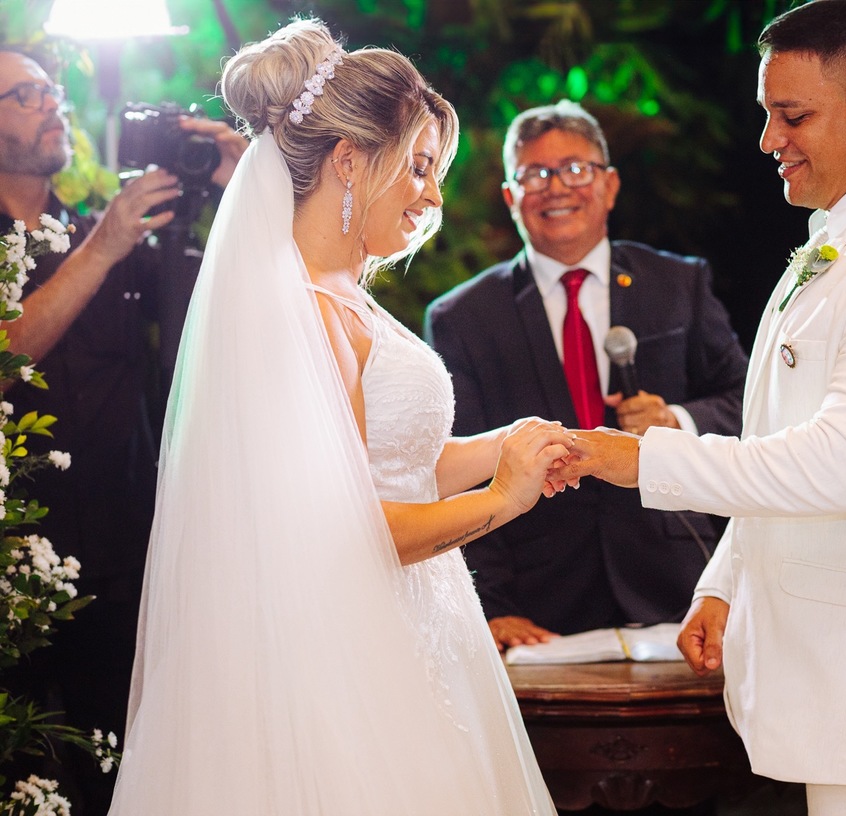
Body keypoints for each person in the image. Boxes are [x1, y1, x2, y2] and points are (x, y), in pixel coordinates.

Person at [555, 1, 846, 813]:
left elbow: (843, 465)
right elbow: (780, 436)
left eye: (792, 115)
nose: (769, 139)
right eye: (769, 114)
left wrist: (642, 460)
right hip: (830, 669)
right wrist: (726, 578)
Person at [106, 19, 568, 813]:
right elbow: (346, 529)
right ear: (350, 160)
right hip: (342, 652)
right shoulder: (306, 316)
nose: (432, 195)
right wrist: (504, 499)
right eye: (420, 168)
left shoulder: (347, 302)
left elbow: (389, 460)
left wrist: (508, 445)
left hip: (417, 625)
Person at [0, 46, 245, 814]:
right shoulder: (102, 236)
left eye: (54, 91)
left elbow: (225, 319)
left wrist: (246, 195)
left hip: (124, 555)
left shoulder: (107, 229)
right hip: (16, 562)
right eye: (27, 93)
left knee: (129, 776)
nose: (53, 104)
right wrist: (103, 245)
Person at [424, 100, 748, 651]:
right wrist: (493, 607)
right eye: (535, 174)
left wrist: (676, 418)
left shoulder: (678, 284)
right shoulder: (463, 317)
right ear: (510, 197)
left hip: (680, 581)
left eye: (576, 169)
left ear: (611, 185)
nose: (557, 187)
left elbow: (749, 402)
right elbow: (457, 472)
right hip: (539, 604)